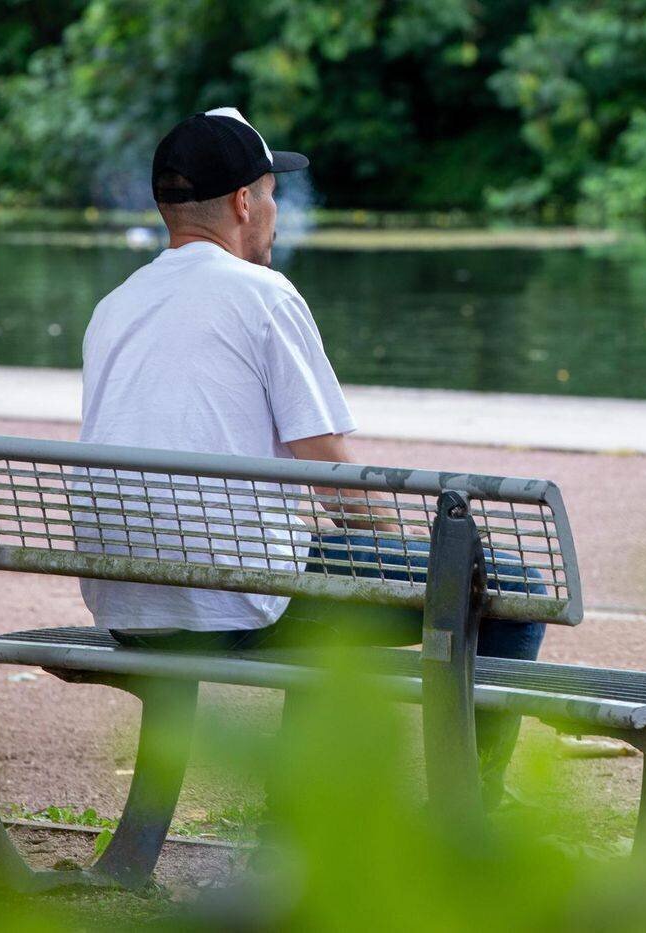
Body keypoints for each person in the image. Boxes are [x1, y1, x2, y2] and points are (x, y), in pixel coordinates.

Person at [79, 107, 542, 806]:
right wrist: (412, 564)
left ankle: (304, 806)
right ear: (243, 202)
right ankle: (471, 810)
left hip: (129, 603)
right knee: (509, 587)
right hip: (232, 608)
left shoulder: (114, 305)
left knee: (326, 567)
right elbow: (338, 480)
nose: (274, 210)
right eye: (271, 193)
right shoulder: (263, 294)